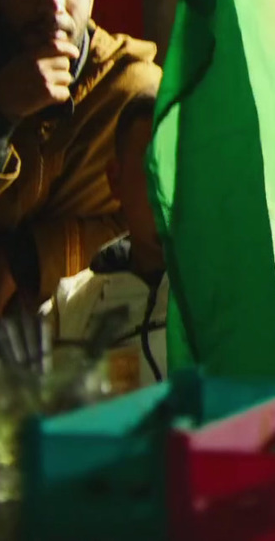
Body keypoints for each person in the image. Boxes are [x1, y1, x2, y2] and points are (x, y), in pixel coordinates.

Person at [0, 0, 162, 320]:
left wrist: (29, 257)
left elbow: (159, 225)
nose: (53, 5)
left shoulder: (132, 89)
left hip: (86, 322)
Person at [49, 95, 166, 393]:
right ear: (116, 180)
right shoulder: (72, 308)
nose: (170, 185)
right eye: (154, 165)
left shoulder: (235, 289)